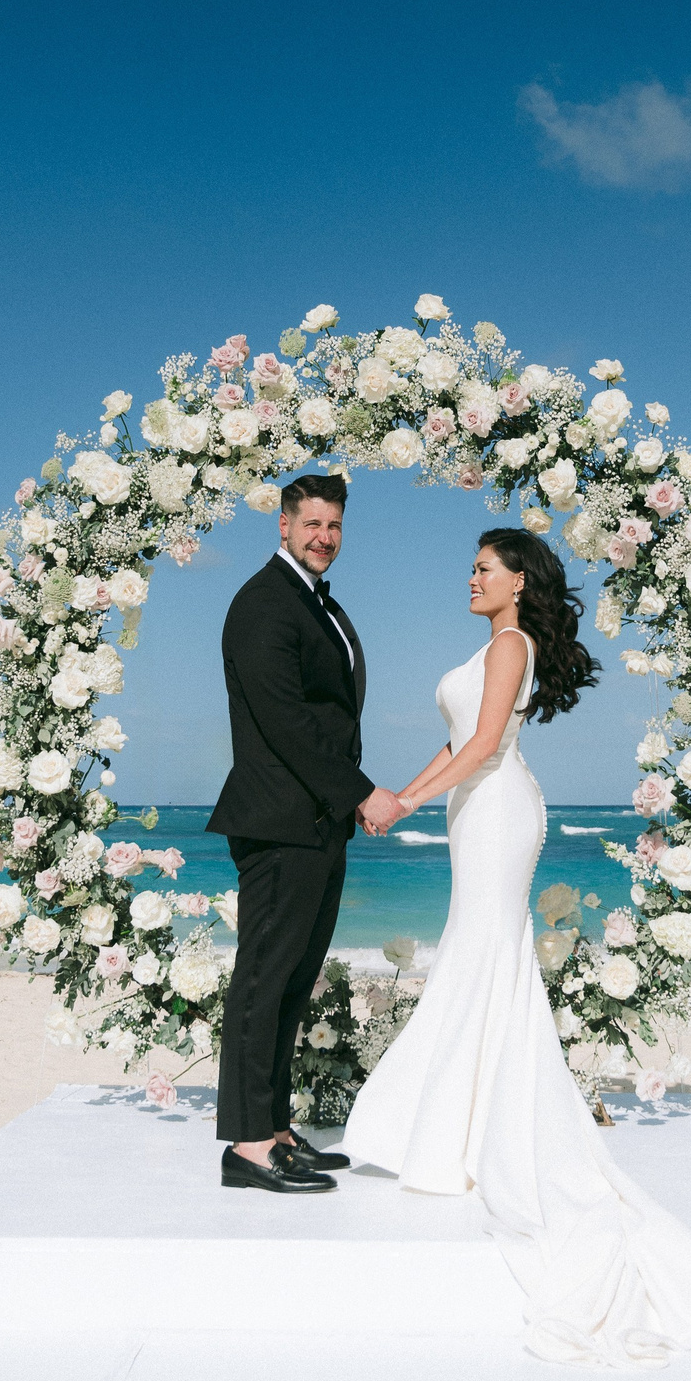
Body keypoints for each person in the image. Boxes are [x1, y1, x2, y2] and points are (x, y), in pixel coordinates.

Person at [339, 528, 691, 1366]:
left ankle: (459, 1133)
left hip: (498, 810)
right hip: (474, 808)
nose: (470, 576)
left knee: (483, 952)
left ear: (519, 581)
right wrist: (400, 794)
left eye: (484, 566)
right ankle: (457, 1127)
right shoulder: (493, 647)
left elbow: (485, 747)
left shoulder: (512, 643)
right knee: (478, 953)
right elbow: (461, 744)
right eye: (471, 563)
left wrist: (403, 806)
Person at [205, 473, 405, 1194]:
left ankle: (276, 1128)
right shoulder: (263, 603)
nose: (325, 536)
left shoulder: (315, 602)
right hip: (278, 821)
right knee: (263, 978)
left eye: (335, 526)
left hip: (315, 822)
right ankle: (248, 1146)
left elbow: (326, 717)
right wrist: (362, 791)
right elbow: (286, 720)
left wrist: (342, 801)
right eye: (312, 523)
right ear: (283, 525)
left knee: (291, 982)